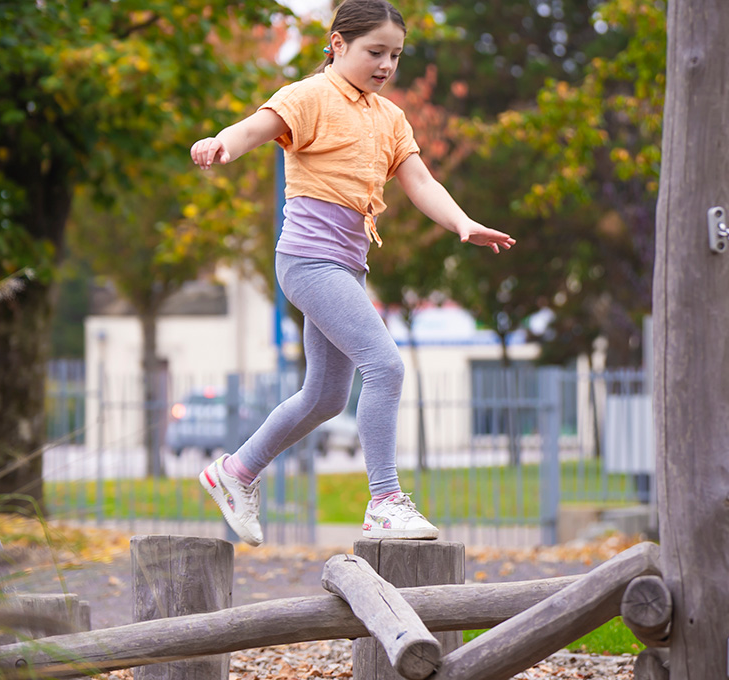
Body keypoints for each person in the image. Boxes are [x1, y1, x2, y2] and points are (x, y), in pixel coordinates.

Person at [189, 0, 515, 546]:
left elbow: (421, 182)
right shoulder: (309, 96)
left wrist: (462, 223)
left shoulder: (390, 118)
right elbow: (256, 127)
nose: (386, 65)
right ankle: (385, 499)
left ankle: (236, 471)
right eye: (374, 52)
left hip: (346, 267)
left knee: (325, 396)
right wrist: (223, 142)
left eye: (396, 55)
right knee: (385, 366)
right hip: (308, 261)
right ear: (338, 45)